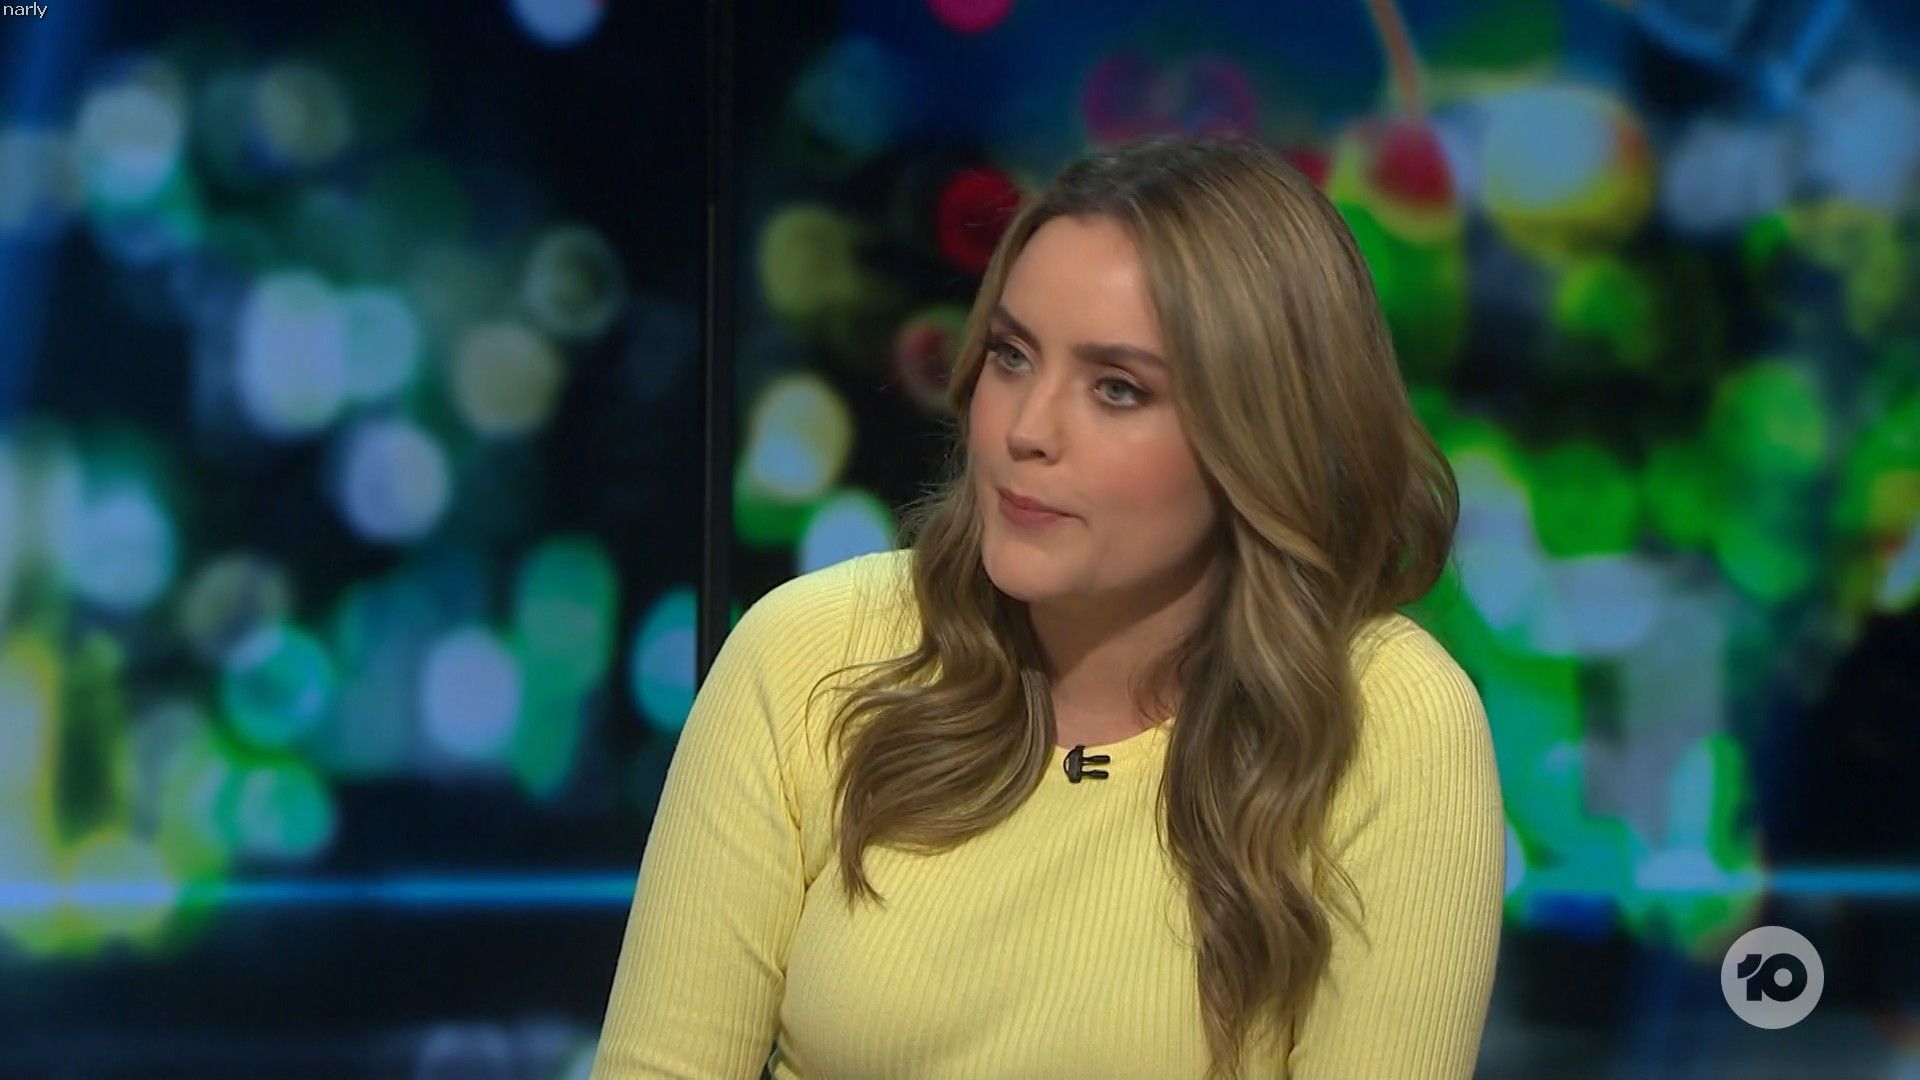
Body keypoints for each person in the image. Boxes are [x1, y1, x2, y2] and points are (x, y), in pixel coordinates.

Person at [590, 135, 1505, 1080]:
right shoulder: (809, 652)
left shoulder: (1386, 720)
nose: (1026, 430)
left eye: (1118, 389)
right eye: (1012, 356)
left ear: (1264, 431)